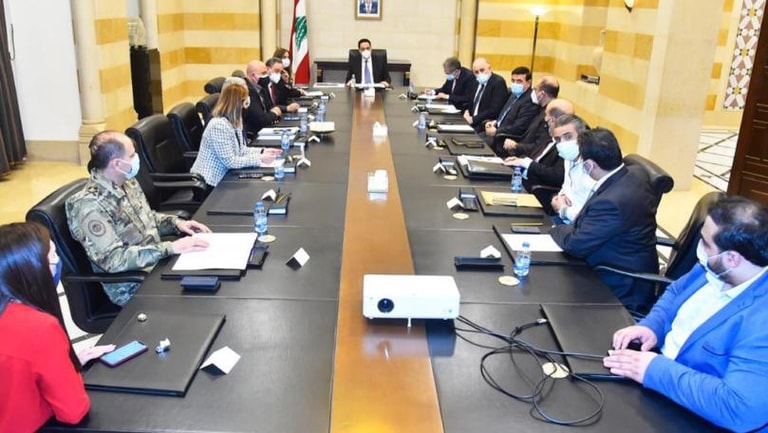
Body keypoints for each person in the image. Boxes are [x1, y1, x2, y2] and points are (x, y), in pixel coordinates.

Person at [605, 196, 768, 432]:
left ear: (732, 259)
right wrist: (652, 326)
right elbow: (675, 291)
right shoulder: (715, 268)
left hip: (697, 412)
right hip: (658, 379)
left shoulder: (761, 321)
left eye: (705, 243)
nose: (699, 248)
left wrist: (655, 370)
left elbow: (739, 409)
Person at [66, 131, 211, 306]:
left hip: (156, 264)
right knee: (202, 298)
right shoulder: (89, 206)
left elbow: (147, 218)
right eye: (132, 155)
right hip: (131, 286)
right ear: (117, 164)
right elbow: (114, 260)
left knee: (212, 276)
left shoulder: (127, 182)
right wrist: (170, 248)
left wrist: (177, 223)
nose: (136, 159)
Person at [0, 222, 115, 431]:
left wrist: (57, 363)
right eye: (52, 257)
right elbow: (73, 411)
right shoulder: (39, 328)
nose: (57, 262)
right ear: (30, 270)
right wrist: (69, 372)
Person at [549, 128, 659, 313]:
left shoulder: (611, 203)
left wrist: (553, 228)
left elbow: (575, 244)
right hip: (618, 254)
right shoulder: (636, 173)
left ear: (589, 165)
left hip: (617, 280)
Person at [192, 77, 281, 188]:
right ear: (238, 103)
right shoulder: (218, 125)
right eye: (245, 100)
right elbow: (230, 161)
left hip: (227, 176)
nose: (247, 103)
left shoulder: (235, 120)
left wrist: (263, 151)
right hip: (210, 183)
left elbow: (241, 150)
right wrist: (260, 158)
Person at [503, 98, 575, 191]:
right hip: (521, 175)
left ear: (552, 120)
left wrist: (527, 163)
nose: (545, 119)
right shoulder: (548, 134)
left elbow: (556, 176)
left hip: (533, 187)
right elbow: (534, 151)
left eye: (546, 115)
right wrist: (521, 160)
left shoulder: (567, 148)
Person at [547, 115, 596, 223]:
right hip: (563, 219)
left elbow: (589, 218)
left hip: (578, 225)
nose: (563, 143)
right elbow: (566, 187)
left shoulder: (593, 168)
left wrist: (563, 209)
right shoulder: (568, 157)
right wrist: (559, 197)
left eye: (568, 137)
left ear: (582, 137)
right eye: (558, 139)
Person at [483, 66, 540, 150]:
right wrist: (494, 122)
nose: (515, 84)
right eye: (513, 80)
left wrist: (496, 131)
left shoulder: (530, 102)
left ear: (528, 83)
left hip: (504, 139)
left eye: (519, 81)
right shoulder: (513, 95)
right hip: (497, 131)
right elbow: (504, 114)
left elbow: (519, 127)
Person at [501, 75, 559, 156]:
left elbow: (539, 147)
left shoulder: (548, 117)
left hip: (526, 156)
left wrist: (516, 145)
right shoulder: (540, 109)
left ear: (542, 94)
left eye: (535, 89)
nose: (532, 92)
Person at [463, 57, 508, 131]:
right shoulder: (475, 82)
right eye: (476, 72)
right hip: (471, 122)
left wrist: (473, 119)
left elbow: (494, 110)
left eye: (482, 70)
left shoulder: (498, 82)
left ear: (489, 68)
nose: (479, 74)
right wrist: (466, 111)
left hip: (484, 124)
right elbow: (470, 101)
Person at [244, 59, 282, 137]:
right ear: (253, 76)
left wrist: (271, 116)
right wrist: (274, 114)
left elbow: (270, 106)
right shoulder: (247, 91)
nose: (266, 76)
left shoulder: (261, 87)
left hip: (263, 130)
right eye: (263, 73)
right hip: (253, 135)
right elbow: (261, 120)